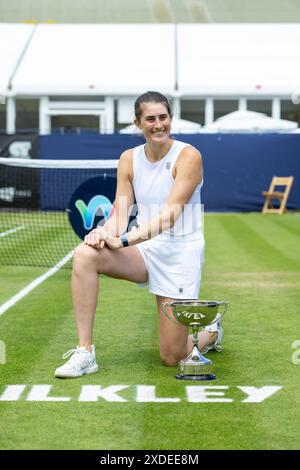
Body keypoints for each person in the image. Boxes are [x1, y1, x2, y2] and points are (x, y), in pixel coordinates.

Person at [55, 91, 223, 378]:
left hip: (180, 252)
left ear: (170, 118)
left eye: (164, 117)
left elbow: (169, 215)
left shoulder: (189, 156)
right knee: (85, 254)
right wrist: (102, 232)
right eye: (150, 119)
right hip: (144, 251)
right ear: (138, 122)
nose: (158, 124)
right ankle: (85, 352)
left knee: (172, 357)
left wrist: (121, 240)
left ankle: (210, 332)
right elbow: (120, 213)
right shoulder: (128, 159)